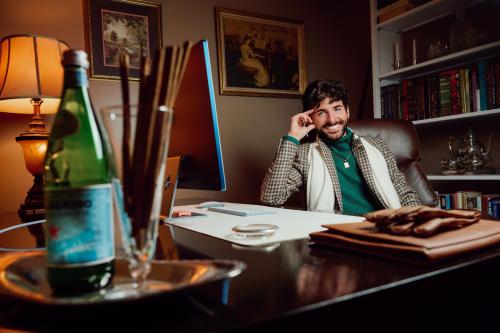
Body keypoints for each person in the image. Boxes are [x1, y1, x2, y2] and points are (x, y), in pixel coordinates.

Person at [261, 79, 421, 215]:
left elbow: (404, 192)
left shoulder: (377, 146)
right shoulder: (303, 155)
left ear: (347, 111)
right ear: (310, 118)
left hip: (385, 230)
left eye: (337, 109)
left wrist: (417, 222)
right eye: (321, 112)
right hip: (336, 237)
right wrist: (292, 137)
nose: (332, 119)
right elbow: (271, 198)